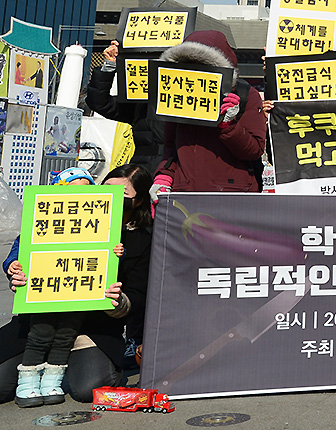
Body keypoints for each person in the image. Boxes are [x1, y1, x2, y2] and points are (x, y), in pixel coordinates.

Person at [2, 164, 153, 405]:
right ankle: (37, 371)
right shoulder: (55, 220)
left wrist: (117, 301)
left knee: (87, 389)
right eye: (106, 191)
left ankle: (73, 367)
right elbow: (24, 253)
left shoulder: (142, 240)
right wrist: (17, 274)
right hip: (38, 321)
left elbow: (137, 297)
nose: (112, 199)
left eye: (122, 196)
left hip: (93, 327)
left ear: (139, 202)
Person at [4, 169, 106, 406]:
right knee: (40, 333)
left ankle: (52, 381)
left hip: (77, 294)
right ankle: (27, 383)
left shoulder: (95, 227)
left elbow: (104, 251)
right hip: (44, 294)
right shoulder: (39, 224)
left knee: (65, 336)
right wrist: (13, 265)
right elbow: (19, 249)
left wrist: (114, 253)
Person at [150, 31, 267, 200]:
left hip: (233, 197)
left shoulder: (245, 95)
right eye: (188, 65)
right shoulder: (177, 95)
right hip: (185, 195)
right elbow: (171, 148)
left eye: (204, 65)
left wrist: (229, 126)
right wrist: (163, 178)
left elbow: (255, 150)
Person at [84, 40, 166, 173]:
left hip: (180, 177)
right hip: (141, 176)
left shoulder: (195, 105)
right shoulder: (140, 104)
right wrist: (110, 65)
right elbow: (99, 102)